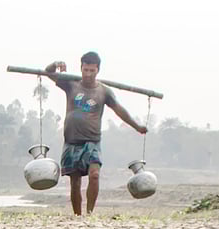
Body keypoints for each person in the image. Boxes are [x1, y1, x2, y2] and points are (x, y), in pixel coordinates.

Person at [45, 52, 147, 216]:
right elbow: (48, 73)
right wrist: (55, 63)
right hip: (71, 141)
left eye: (92, 71)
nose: (88, 74)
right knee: (75, 181)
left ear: (97, 70)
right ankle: (78, 216)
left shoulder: (103, 92)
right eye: (85, 70)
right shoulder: (71, 84)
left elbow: (119, 110)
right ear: (81, 68)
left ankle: (90, 213)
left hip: (92, 141)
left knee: (94, 175)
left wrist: (137, 126)